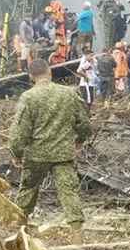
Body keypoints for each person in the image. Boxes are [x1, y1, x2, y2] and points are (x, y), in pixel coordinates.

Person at [8, 58, 91, 228]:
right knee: (69, 193)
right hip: (63, 154)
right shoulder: (69, 93)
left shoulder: (28, 97)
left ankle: (19, 232)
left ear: (31, 76)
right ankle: (77, 238)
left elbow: (20, 131)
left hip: (36, 155)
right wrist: (80, 141)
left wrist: (16, 153)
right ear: (50, 72)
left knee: (27, 190)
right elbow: (84, 123)